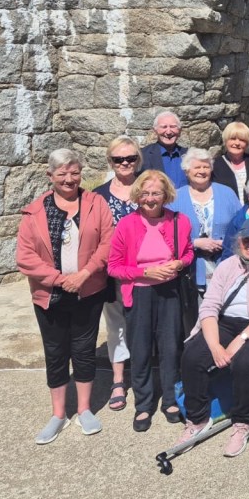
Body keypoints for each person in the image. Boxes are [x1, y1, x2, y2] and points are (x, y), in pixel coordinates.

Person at [17, 149, 114, 444]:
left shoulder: (96, 203)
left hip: (89, 290)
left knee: (84, 350)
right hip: (50, 295)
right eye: (62, 174)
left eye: (74, 173)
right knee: (56, 352)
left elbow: (108, 242)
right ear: (51, 176)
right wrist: (60, 280)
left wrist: (84, 275)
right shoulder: (34, 212)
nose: (69, 179)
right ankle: (58, 414)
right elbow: (25, 257)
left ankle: (84, 409)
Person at [176, 218, 249, 458]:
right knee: (193, 356)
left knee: (244, 361)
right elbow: (209, 307)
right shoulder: (226, 266)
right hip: (225, 322)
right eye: (247, 240)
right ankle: (197, 419)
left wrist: (242, 339)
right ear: (239, 240)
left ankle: (242, 422)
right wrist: (215, 345)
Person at [108, 170, 194, 432]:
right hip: (140, 293)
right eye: (145, 193)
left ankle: (169, 399)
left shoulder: (180, 221)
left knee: (170, 347)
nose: (150, 198)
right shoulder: (126, 225)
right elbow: (114, 267)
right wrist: (145, 272)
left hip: (170, 292)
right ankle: (144, 405)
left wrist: (180, 262)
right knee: (142, 349)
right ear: (137, 195)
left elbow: (189, 253)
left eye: (156, 193)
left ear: (165, 195)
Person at [93, 136, 141, 413]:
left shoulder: (148, 187)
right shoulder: (98, 195)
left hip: (144, 271)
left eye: (130, 158)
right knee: (116, 326)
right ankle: (119, 380)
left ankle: (146, 377)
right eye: (118, 159)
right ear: (110, 162)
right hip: (112, 272)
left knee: (146, 325)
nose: (125, 163)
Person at [172, 148, 241, 293]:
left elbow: (241, 226)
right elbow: (167, 236)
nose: (202, 171)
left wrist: (227, 241)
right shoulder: (175, 198)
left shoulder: (227, 193)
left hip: (225, 263)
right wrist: (195, 243)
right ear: (187, 171)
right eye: (197, 167)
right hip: (190, 270)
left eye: (206, 167)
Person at [211, 122, 249, 205]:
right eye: (233, 139)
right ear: (226, 141)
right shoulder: (216, 165)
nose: (237, 143)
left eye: (242, 140)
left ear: (247, 143)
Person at [140, 110, 188, 188]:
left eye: (173, 126)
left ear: (179, 131)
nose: (168, 132)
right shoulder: (143, 156)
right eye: (164, 127)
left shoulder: (189, 155)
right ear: (155, 131)